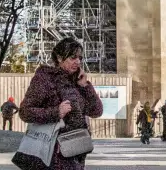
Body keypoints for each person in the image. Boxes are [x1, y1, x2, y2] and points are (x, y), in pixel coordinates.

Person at [19, 36, 105, 170]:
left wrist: (85, 86)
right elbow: (25, 112)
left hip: (75, 152)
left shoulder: (77, 81)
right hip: (52, 155)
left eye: (79, 58)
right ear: (59, 58)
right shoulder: (45, 79)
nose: (77, 62)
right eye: (72, 57)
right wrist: (55, 112)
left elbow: (97, 111)